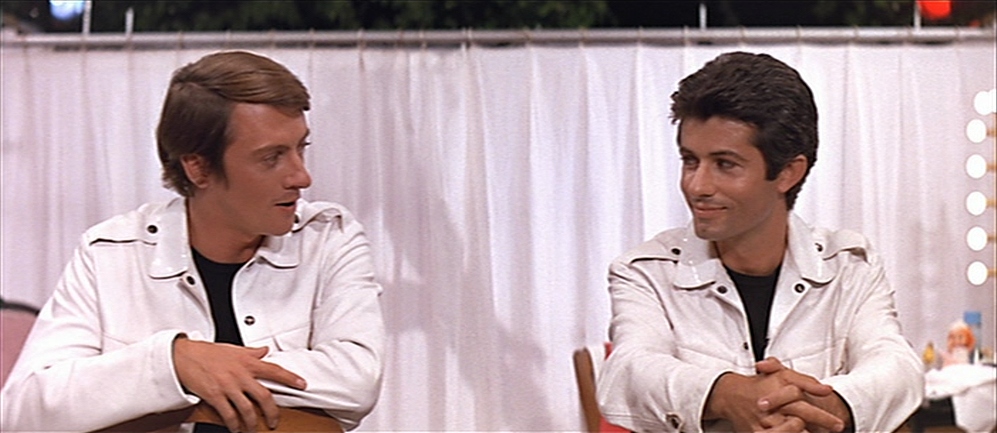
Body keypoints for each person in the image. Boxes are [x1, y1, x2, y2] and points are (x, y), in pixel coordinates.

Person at [0, 51, 385, 433]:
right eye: (272, 158)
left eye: (301, 148)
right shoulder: (110, 253)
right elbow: (24, 412)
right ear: (198, 168)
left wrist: (204, 371)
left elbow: (356, 381)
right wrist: (174, 362)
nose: (301, 177)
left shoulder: (329, 238)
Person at [596, 52, 923, 433]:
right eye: (690, 160)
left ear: (788, 172)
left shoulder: (850, 267)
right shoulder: (645, 272)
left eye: (725, 164)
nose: (697, 186)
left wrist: (830, 402)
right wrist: (724, 393)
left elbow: (897, 366)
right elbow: (629, 369)